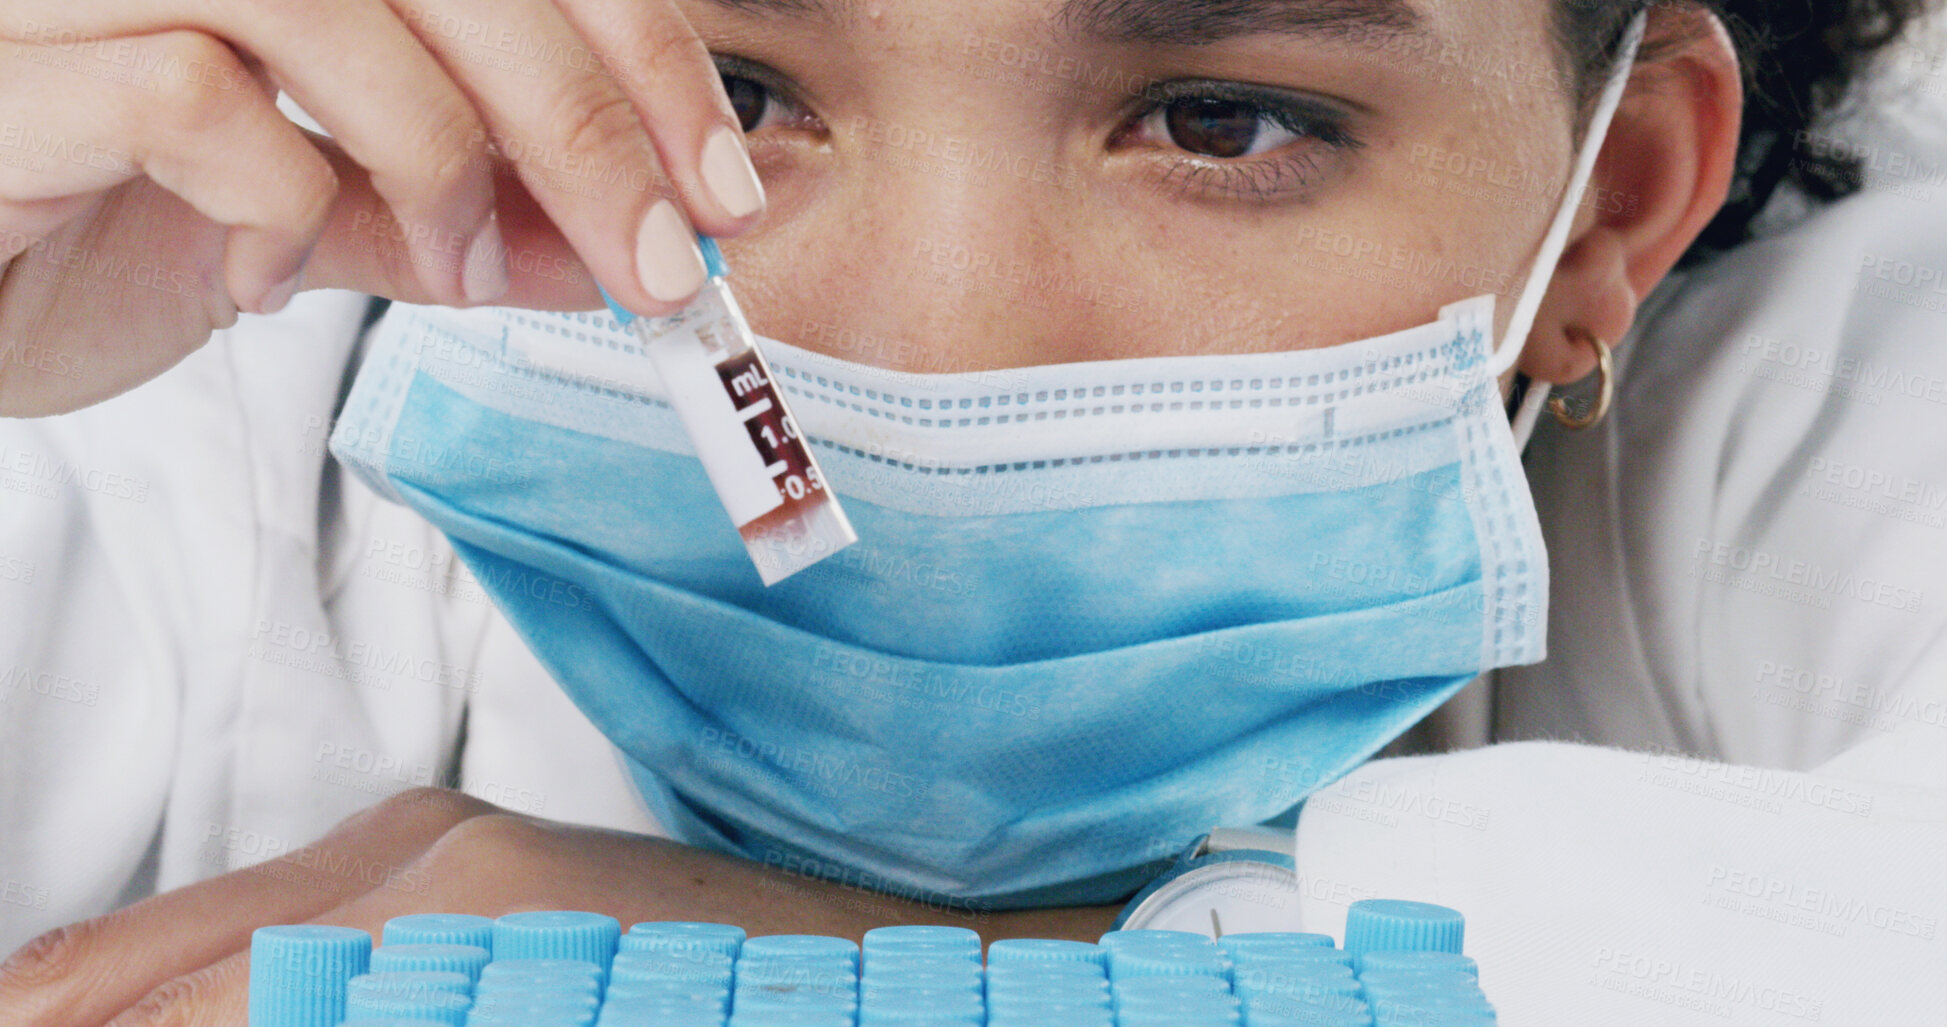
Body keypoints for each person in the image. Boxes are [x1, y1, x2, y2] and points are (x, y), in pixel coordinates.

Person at [1, 0, 1944, 1022]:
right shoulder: (160, 355)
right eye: (735, 90)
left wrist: (778, 976)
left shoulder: (1843, 389)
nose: (947, 349)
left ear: (1614, 200)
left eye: (1218, 120)